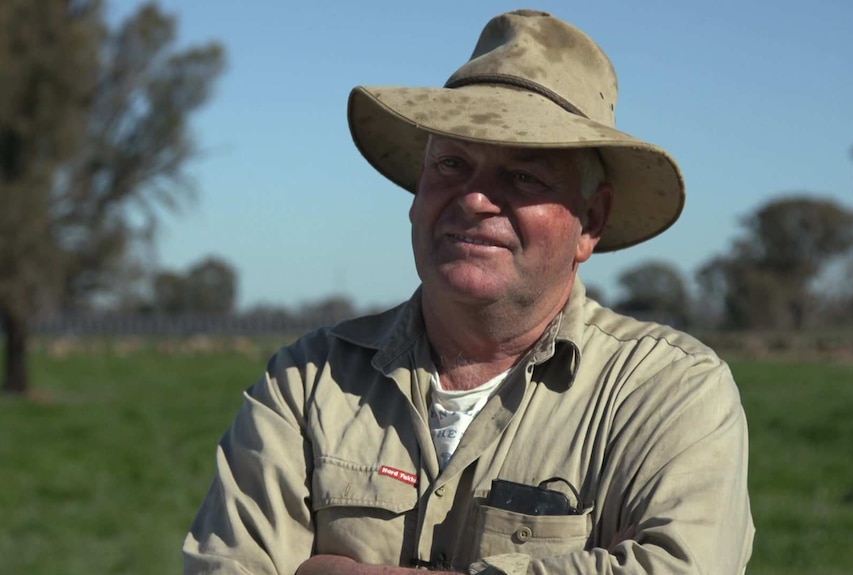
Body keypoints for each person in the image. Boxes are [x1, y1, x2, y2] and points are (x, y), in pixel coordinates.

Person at [184, 9, 754, 575]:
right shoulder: (308, 380)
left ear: (590, 222)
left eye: (524, 176)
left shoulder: (667, 392)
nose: (475, 200)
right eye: (452, 164)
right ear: (417, 192)